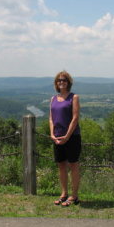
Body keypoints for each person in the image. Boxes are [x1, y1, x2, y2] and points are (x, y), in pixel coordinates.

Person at [49, 71, 81, 206]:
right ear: (56, 83)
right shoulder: (53, 99)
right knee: (61, 165)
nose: (61, 82)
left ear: (68, 83)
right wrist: (52, 134)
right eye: (59, 80)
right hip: (57, 137)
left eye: (64, 80)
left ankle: (74, 196)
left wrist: (67, 136)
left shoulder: (74, 97)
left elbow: (75, 118)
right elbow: (51, 118)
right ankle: (64, 194)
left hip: (72, 136)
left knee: (73, 165)